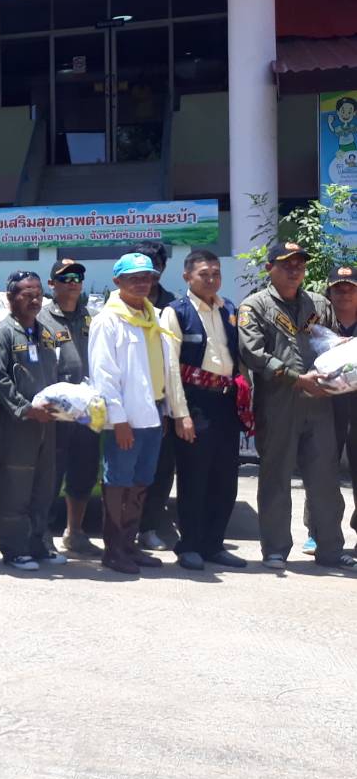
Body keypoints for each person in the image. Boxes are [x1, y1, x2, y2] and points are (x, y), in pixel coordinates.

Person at [238, 241, 357, 570]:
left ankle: (330, 549)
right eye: (286, 264)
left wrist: (342, 356)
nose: (295, 270)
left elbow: (332, 346)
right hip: (279, 403)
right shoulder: (254, 306)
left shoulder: (318, 303)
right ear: (269, 268)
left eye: (300, 265)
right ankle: (275, 550)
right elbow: (253, 353)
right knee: (276, 476)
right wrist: (296, 378)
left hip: (319, 402)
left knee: (325, 478)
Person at [88, 253, 191, 575]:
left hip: (152, 414)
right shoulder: (108, 320)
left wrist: (166, 411)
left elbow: (163, 368)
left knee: (141, 481)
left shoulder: (155, 316)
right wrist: (118, 420)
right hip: (125, 418)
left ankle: (129, 544)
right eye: (134, 278)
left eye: (147, 277)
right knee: (118, 482)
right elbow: (104, 374)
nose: (142, 283)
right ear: (117, 281)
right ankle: (113, 550)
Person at [160, 250, 246, 571]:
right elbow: (170, 367)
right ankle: (189, 546)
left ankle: (214, 545)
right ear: (187, 277)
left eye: (216, 273)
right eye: (204, 274)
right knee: (194, 476)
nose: (211, 279)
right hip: (194, 402)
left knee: (226, 477)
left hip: (226, 402)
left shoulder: (229, 310)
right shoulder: (176, 312)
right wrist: (180, 413)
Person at [0, 272, 64, 571]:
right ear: (10, 298)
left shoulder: (45, 332)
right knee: (16, 488)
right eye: (27, 294)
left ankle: (39, 545)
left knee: (43, 486)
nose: (34, 299)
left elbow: (53, 374)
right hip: (17, 424)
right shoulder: (0, 334)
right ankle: (15, 550)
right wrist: (26, 409)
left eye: (38, 293)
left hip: (47, 424)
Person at [42, 259, 99, 555]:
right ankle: (42, 535)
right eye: (65, 278)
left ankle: (74, 532)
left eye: (77, 277)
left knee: (84, 471)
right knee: (50, 474)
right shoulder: (41, 318)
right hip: (56, 410)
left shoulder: (92, 317)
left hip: (87, 410)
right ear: (52, 284)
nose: (73, 282)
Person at [302, 266, 357, 554]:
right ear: (329, 291)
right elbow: (300, 345)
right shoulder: (317, 320)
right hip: (326, 404)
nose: (344, 293)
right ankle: (316, 531)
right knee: (321, 468)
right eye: (338, 288)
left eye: (350, 288)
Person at [134, 241, 179, 552]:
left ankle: (149, 526)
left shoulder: (172, 306)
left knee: (161, 469)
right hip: (129, 400)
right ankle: (123, 533)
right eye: (143, 268)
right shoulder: (119, 305)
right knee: (126, 470)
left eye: (155, 267)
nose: (149, 275)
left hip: (163, 399)